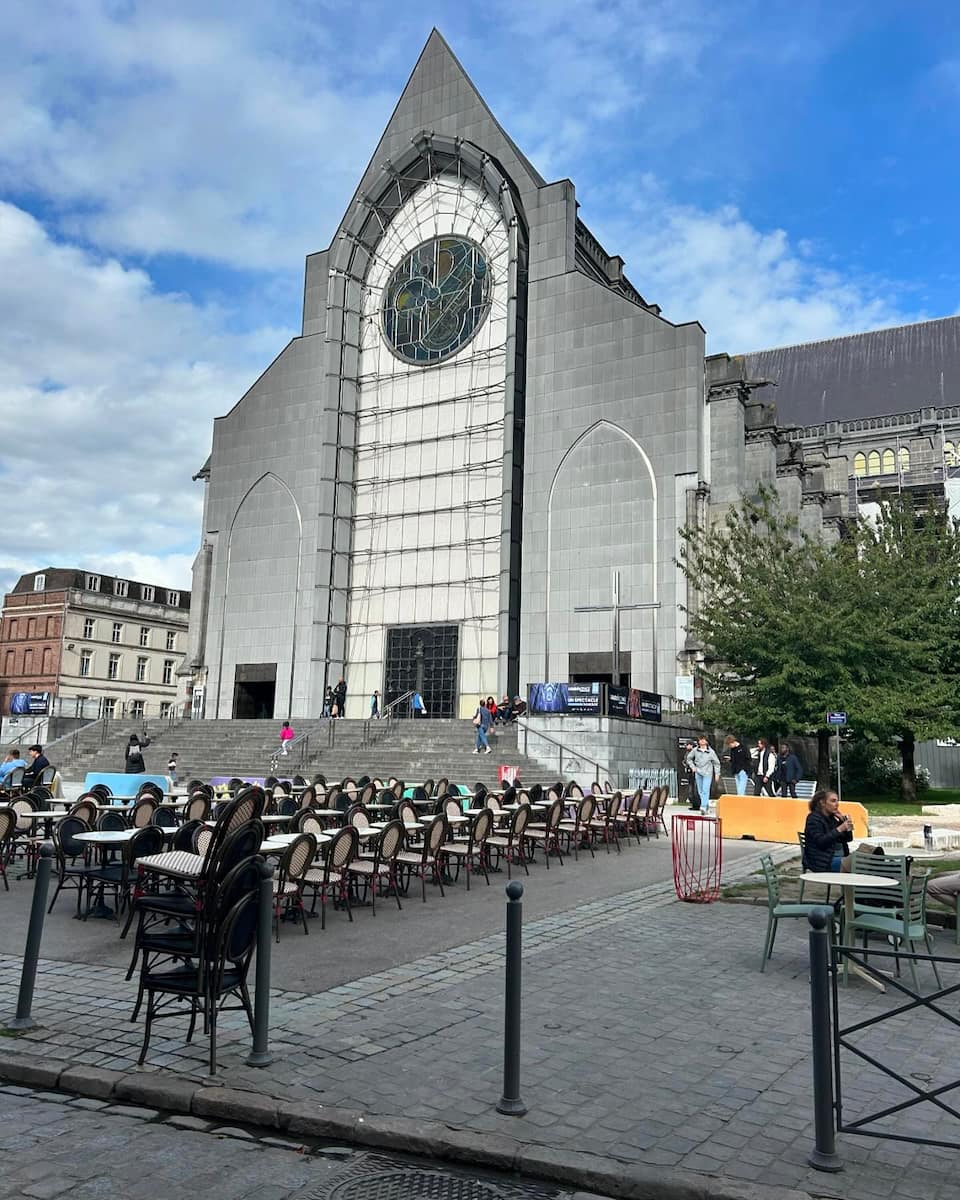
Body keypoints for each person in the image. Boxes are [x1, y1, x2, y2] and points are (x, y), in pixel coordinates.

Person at [803, 790, 853, 871]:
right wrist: (840, 828)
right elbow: (821, 842)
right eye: (833, 801)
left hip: (839, 858)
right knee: (860, 862)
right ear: (822, 802)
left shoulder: (832, 819)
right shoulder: (813, 818)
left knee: (866, 852)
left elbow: (848, 839)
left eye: (837, 801)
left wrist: (843, 822)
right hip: (824, 862)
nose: (837, 804)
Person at [684, 736, 720, 811]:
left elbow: (716, 763)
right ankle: (705, 805)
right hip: (698, 772)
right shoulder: (695, 750)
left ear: (706, 741)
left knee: (705, 790)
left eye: (704, 740)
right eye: (701, 740)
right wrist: (693, 767)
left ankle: (703, 806)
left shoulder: (711, 752)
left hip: (707, 773)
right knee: (700, 790)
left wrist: (717, 774)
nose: (702, 741)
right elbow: (689, 758)